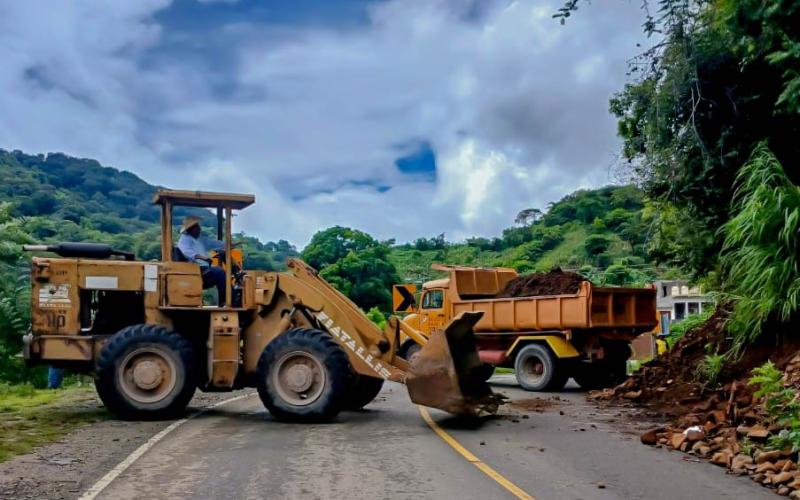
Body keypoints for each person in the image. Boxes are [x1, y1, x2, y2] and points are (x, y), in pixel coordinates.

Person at [177, 216, 227, 305]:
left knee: (221, 273)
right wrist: (202, 257)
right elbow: (186, 251)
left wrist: (228, 244)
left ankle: (226, 300)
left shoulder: (199, 239)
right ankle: (225, 302)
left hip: (204, 267)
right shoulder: (184, 239)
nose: (200, 229)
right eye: (197, 227)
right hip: (195, 269)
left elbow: (211, 243)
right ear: (191, 229)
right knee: (220, 272)